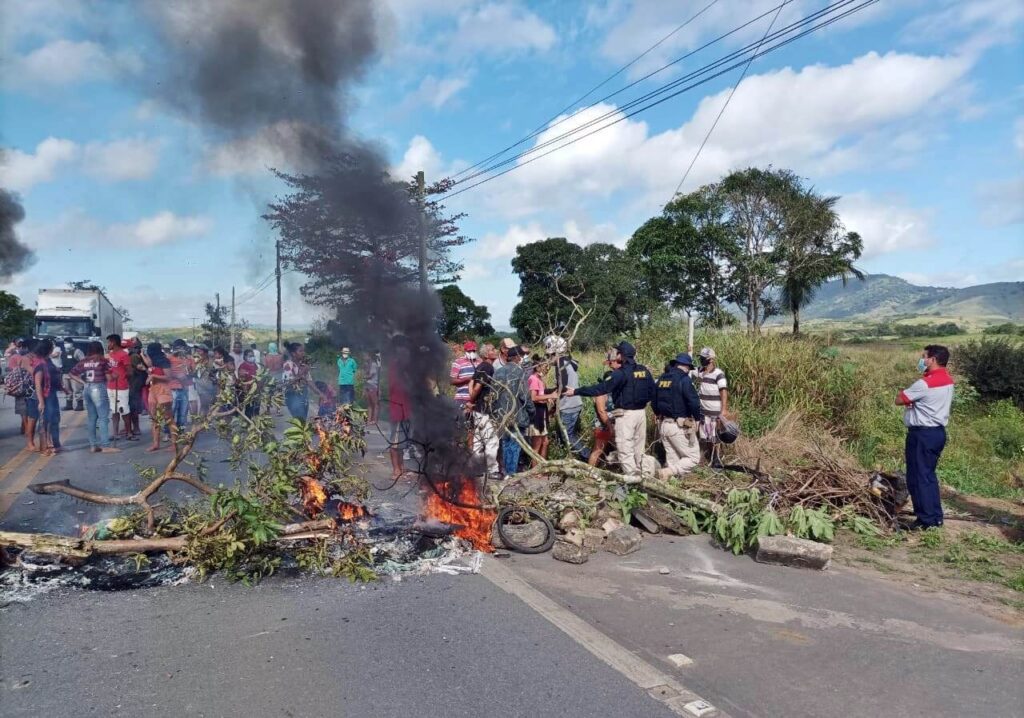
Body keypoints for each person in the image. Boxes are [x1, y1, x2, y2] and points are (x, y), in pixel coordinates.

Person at [568, 341, 655, 481]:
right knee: (638, 450)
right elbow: (652, 391)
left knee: (625, 450)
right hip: (641, 413)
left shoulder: (621, 373)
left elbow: (600, 389)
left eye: (618, 353)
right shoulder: (643, 370)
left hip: (626, 415)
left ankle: (635, 482)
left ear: (621, 355)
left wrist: (576, 391)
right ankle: (643, 476)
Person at [896, 345, 954, 530]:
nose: (922, 361)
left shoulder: (924, 383)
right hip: (936, 433)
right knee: (928, 476)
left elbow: (899, 399)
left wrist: (911, 401)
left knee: (918, 477)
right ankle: (934, 517)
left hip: (922, 434)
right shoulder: (947, 379)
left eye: (924, 357)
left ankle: (926, 520)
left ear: (933, 360)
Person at [654, 353, 703, 479]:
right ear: (686, 367)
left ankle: (670, 490)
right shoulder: (684, 379)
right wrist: (697, 419)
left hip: (664, 425)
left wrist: (657, 413)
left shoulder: (662, 378)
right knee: (693, 458)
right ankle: (667, 472)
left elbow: (653, 399)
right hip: (678, 426)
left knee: (673, 460)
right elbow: (694, 401)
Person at [68, 341, 119, 453]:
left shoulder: (83, 361)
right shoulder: (103, 361)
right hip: (99, 388)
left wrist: (82, 382)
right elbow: (110, 377)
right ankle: (105, 445)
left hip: (87, 388)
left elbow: (71, 373)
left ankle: (93, 445)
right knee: (103, 417)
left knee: (92, 418)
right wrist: (116, 375)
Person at [546, 336, 590, 461]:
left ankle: (588, 456)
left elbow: (562, 387)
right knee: (564, 435)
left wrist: (546, 392)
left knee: (568, 436)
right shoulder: (568, 362)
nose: (549, 358)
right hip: (573, 403)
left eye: (550, 355)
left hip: (569, 405)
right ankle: (569, 458)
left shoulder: (561, 365)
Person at [493, 345, 531, 477]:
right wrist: (531, 410)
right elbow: (524, 395)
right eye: (520, 356)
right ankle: (511, 473)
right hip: (517, 415)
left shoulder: (498, 372)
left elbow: (493, 395)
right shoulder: (519, 372)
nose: (522, 358)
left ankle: (506, 472)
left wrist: (495, 413)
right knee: (515, 445)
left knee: (505, 443)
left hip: (502, 415)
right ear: (516, 357)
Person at [694, 346, 730, 469]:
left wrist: (723, 409)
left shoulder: (718, 374)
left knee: (715, 437)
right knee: (704, 436)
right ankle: (703, 457)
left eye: (703, 358)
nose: (701, 360)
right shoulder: (699, 371)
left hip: (715, 412)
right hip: (703, 412)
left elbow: (723, 391)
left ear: (710, 359)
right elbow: (687, 369)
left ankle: (716, 459)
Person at [468, 343, 499, 480]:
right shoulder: (487, 367)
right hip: (484, 410)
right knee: (491, 440)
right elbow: (477, 387)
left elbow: (471, 383)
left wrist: (472, 401)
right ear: (486, 354)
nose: (495, 350)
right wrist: (472, 400)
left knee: (478, 440)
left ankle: (476, 468)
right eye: (493, 349)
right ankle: (492, 470)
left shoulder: (480, 366)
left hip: (478, 409)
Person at [588, 349, 620, 468]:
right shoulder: (601, 394)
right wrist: (609, 426)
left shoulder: (610, 392)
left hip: (609, 425)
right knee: (598, 450)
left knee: (607, 449)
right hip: (602, 426)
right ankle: (589, 473)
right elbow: (601, 411)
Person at [386, 337, 412, 481]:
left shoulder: (406, 366)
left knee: (403, 442)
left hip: (407, 409)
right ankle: (396, 470)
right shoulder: (395, 365)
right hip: (397, 409)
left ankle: (401, 468)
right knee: (395, 442)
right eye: (403, 348)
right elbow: (396, 385)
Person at [526, 355, 559, 465]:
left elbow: (541, 395)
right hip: (536, 415)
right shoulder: (533, 379)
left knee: (545, 442)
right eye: (545, 367)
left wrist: (547, 397)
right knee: (537, 444)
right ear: (538, 367)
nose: (547, 369)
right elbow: (533, 397)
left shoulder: (540, 380)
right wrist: (549, 395)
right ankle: (536, 469)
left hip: (543, 413)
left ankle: (543, 466)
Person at [144, 342, 176, 452]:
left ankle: (174, 443)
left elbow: (168, 377)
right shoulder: (151, 361)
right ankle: (155, 444)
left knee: (168, 418)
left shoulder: (164, 361)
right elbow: (147, 365)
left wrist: (153, 375)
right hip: (153, 390)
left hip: (163, 390)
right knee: (154, 419)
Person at [33, 340, 61, 456]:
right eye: (51, 348)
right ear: (48, 350)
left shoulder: (48, 361)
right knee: (45, 422)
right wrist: (41, 402)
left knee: (54, 420)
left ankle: (55, 444)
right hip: (45, 397)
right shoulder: (40, 365)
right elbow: (38, 384)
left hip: (52, 395)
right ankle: (44, 448)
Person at [282, 342, 317, 421]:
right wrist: (303, 371)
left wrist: (320, 393)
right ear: (293, 354)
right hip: (292, 395)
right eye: (300, 351)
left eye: (303, 351)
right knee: (298, 419)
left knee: (303, 419)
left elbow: (309, 381)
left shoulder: (303, 365)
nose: (303, 353)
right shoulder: (288, 365)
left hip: (304, 394)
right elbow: (289, 382)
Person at [106, 334, 131, 441]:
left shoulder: (124, 355)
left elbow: (130, 371)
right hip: (111, 386)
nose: (108, 344)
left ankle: (129, 432)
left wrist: (121, 377)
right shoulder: (110, 355)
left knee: (124, 410)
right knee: (114, 410)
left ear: (114, 342)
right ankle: (115, 432)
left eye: (109, 342)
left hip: (121, 387)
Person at [126, 341, 147, 440]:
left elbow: (141, 367)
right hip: (134, 384)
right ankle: (132, 427)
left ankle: (136, 428)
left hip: (134, 385)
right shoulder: (135, 356)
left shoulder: (134, 356)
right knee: (131, 407)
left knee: (132, 407)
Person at [450, 340, 479, 407]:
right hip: (462, 398)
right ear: (465, 351)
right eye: (469, 351)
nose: (472, 353)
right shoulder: (458, 362)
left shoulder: (479, 362)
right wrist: (466, 380)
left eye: (473, 351)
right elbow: (451, 381)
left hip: (476, 399)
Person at [60, 338, 84, 411]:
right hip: (65, 374)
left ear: (72, 343)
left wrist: (81, 373)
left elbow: (83, 362)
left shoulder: (77, 351)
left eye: (67, 343)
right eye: (65, 343)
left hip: (75, 375)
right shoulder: (63, 352)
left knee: (77, 390)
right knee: (67, 390)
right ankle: (69, 405)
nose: (66, 344)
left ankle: (80, 405)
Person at [193, 345, 217, 414]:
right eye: (197, 351)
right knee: (204, 405)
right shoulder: (197, 361)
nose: (197, 353)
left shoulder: (211, 361)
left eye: (199, 351)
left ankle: (206, 421)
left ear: (205, 353)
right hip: (201, 387)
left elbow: (213, 374)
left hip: (210, 387)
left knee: (211, 406)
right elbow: (195, 374)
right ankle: (202, 421)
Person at [237, 349, 261, 418]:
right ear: (245, 357)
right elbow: (242, 380)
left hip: (257, 391)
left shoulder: (255, 365)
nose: (252, 357)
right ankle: (248, 424)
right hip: (248, 391)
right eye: (250, 356)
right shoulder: (243, 366)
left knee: (256, 408)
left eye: (253, 355)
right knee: (249, 409)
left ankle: (256, 423)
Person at [364, 350, 381, 424]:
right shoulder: (367, 364)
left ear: (369, 356)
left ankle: (374, 420)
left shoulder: (374, 365)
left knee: (375, 403)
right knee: (369, 404)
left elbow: (370, 376)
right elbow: (366, 375)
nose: (364, 357)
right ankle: (369, 420)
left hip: (373, 386)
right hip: (368, 386)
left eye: (366, 356)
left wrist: (364, 377)